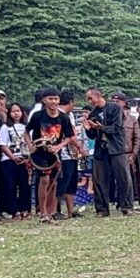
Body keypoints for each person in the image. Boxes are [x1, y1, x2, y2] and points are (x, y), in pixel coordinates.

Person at [26, 88, 76, 223]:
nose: (53, 101)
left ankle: (50, 212)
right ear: (44, 100)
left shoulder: (63, 117)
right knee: (44, 180)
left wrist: (59, 146)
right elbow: (26, 131)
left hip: (54, 155)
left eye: (56, 99)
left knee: (53, 183)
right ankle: (42, 212)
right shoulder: (38, 116)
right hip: (39, 154)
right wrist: (30, 145)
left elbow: (69, 136)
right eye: (50, 99)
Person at [83, 88, 133, 217]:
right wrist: (88, 129)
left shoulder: (115, 108)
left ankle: (126, 206)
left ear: (98, 95)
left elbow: (116, 127)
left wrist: (102, 128)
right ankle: (102, 209)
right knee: (99, 180)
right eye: (88, 99)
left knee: (123, 178)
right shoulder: (93, 114)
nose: (90, 101)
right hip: (101, 150)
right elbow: (93, 135)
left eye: (91, 98)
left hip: (116, 147)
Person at [0, 103, 31, 219]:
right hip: (8, 160)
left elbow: (30, 143)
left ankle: (25, 209)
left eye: (18, 111)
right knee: (10, 186)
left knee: (24, 185)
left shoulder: (27, 127)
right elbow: (2, 145)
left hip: (24, 160)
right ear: (9, 113)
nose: (16, 113)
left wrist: (28, 158)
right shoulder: (6, 127)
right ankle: (13, 210)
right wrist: (12, 157)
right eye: (13, 111)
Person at [56, 92, 84, 220]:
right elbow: (69, 136)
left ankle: (70, 211)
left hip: (72, 155)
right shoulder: (59, 115)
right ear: (71, 102)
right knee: (61, 184)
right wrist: (79, 146)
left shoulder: (70, 115)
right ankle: (55, 211)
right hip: (62, 155)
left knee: (71, 184)